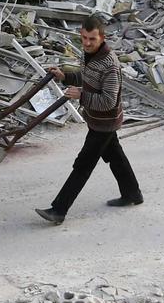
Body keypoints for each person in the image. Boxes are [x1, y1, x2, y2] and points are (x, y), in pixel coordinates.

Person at [37, 14, 142, 225]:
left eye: (92, 39)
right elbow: (86, 77)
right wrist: (64, 76)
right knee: (115, 157)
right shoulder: (89, 56)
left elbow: (108, 101)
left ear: (102, 37)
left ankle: (59, 210)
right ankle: (132, 193)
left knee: (83, 165)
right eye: (84, 37)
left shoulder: (110, 65)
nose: (87, 43)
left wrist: (81, 95)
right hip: (96, 119)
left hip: (104, 121)